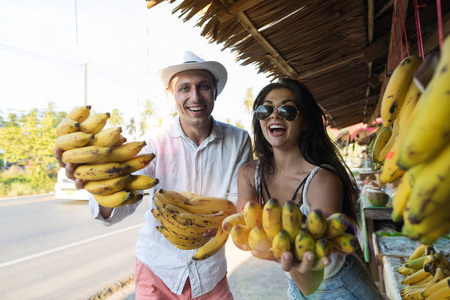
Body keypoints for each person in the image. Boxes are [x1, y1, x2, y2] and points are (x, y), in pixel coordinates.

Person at [55, 50, 253, 299]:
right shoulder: (152, 144)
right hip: (157, 271)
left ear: (215, 90)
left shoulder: (238, 140)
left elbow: (238, 201)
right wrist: (97, 184)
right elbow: (121, 206)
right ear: (173, 94)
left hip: (210, 274)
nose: (195, 97)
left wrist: (219, 224)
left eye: (203, 86)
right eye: (184, 88)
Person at [236, 78, 383, 299]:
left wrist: (279, 255)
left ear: (305, 123)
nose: (274, 115)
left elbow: (311, 269)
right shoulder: (249, 174)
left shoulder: (323, 180)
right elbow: (244, 229)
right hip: (296, 284)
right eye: (265, 109)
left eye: (287, 110)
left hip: (340, 285)